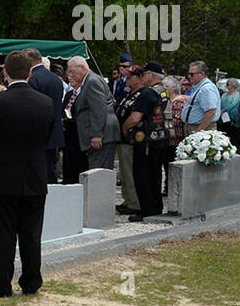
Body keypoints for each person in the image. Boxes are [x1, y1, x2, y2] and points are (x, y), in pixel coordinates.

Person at [0, 50, 55, 298]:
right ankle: (31, 282)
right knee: (31, 233)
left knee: (4, 233)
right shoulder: (45, 103)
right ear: (30, 72)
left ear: (5, 73)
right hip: (34, 176)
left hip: (2, 177)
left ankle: (1, 284)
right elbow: (47, 139)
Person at [120, 64, 169, 220]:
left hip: (145, 139)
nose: (142, 77)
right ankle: (155, 206)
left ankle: (147, 210)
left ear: (151, 75)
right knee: (155, 175)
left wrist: (125, 127)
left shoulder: (147, 93)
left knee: (143, 176)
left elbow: (135, 117)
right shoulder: (162, 90)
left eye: (144, 74)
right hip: (160, 138)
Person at [67, 56, 119, 172]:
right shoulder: (89, 81)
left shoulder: (92, 81)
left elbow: (99, 109)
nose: (70, 75)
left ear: (82, 67)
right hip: (100, 135)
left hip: (102, 136)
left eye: (72, 71)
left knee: (99, 173)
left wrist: (97, 134)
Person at [25, 48, 65, 183]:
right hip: (54, 130)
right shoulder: (56, 79)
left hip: (38, 133)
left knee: (38, 171)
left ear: (29, 61)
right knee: (51, 169)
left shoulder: (32, 79)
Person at [182, 60, 220, 134]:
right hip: (195, 127)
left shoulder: (206, 89)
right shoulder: (199, 87)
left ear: (202, 74)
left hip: (202, 128)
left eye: (192, 74)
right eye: (188, 74)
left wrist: (199, 131)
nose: (189, 76)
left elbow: (210, 112)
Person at [219, 78, 240, 143]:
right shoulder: (224, 94)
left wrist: (224, 110)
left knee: (232, 133)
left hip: (232, 116)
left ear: (233, 85)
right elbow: (220, 103)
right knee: (223, 132)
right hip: (223, 116)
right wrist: (220, 111)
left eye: (228, 84)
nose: (227, 85)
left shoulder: (237, 94)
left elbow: (233, 104)